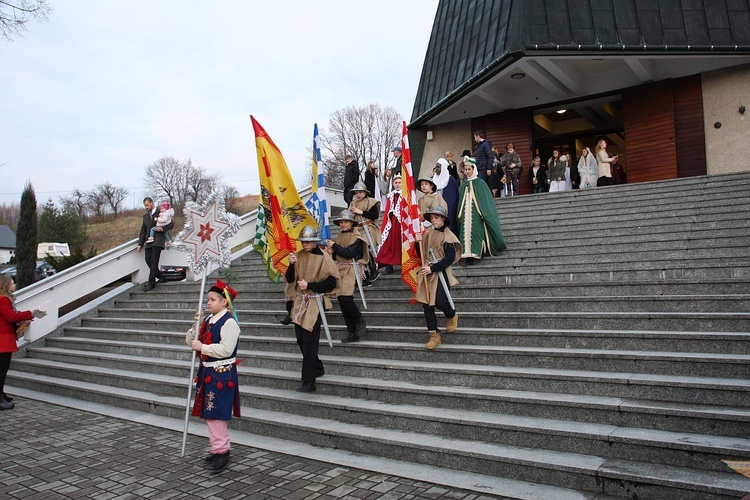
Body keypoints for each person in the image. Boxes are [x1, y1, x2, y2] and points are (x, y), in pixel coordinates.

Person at [186, 279, 240, 473]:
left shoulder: (229, 322)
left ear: (224, 302)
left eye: (212, 299)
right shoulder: (208, 320)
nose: (208, 303)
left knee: (216, 413)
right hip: (207, 371)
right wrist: (196, 325)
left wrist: (204, 347)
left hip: (221, 373)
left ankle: (222, 451)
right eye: (207, 299)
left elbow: (226, 349)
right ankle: (218, 449)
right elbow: (191, 341)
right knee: (209, 413)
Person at [286, 226, 339, 393]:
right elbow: (289, 278)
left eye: (308, 241)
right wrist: (291, 265)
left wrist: (310, 285)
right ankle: (317, 366)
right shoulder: (299, 256)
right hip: (301, 301)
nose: (305, 244)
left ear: (314, 241)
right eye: (303, 241)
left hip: (315, 302)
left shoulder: (323, 257)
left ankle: (309, 382)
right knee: (301, 339)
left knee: (309, 340)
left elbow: (332, 283)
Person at [415, 206, 461, 350]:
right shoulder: (428, 234)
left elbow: (449, 258)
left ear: (443, 219)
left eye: (436, 217)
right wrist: (418, 243)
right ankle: (434, 335)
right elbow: (420, 253)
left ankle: (451, 314)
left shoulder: (448, 236)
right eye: (432, 218)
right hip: (427, 272)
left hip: (440, 272)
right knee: (427, 305)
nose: (433, 220)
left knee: (441, 301)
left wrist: (433, 268)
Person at [0, 275, 46, 411]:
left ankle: (2, 394)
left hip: (4, 337)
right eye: (12, 283)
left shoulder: (6, 299)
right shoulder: (3, 299)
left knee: (3, 368)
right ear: (6, 285)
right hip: (3, 339)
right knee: (2, 369)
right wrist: (30, 312)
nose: (14, 285)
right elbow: (11, 317)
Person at [325, 210, 368, 343]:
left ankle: (359, 320)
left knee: (346, 298)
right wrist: (330, 251)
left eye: (346, 222)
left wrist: (335, 246)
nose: (343, 224)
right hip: (339, 269)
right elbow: (336, 254)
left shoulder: (357, 237)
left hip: (351, 268)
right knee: (341, 300)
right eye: (341, 222)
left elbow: (349, 253)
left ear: (351, 222)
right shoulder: (338, 237)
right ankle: (351, 330)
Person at [457, 157, 506, 264]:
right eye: (466, 169)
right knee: (465, 232)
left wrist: (483, 212)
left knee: (476, 233)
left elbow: (486, 201)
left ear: (473, 169)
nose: (467, 171)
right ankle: (466, 255)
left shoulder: (480, 183)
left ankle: (475, 253)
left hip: (477, 213)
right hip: (466, 213)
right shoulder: (464, 184)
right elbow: (461, 200)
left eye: (469, 169)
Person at [137, 197, 174, 292]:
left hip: (158, 240)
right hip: (148, 241)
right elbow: (143, 231)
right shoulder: (145, 216)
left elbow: (171, 224)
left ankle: (151, 283)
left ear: (152, 203)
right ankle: (161, 277)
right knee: (148, 260)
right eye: (145, 205)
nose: (146, 207)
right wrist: (140, 244)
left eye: (147, 205)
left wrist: (162, 229)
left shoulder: (161, 212)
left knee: (154, 262)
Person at [349, 182, 381, 286]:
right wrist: (351, 214)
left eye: (360, 192)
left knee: (364, 246)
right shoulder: (353, 203)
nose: (358, 194)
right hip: (357, 228)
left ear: (365, 192)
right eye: (356, 193)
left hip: (368, 227)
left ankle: (373, 268)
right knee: (358, 250)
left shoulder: (371, 202)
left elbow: (375, 215)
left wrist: (361, 212)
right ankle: (365, 273)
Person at [376, 174, 407, 275]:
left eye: (399, 183)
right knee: (389, 243)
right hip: (391, 222)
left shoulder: (407, 195)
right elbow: (387, 211)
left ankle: (405, 265)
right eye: (396, 183)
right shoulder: (391, 195)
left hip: (402, 223)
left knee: (402, 242)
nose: (398, 185)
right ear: (393, 184)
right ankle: (389, 266)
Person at [432, 158, 460, 235]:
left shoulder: (450, 180)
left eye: (438, 167)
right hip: (435, 212)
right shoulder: (434, 180)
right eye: (436, 167)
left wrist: (445, 213)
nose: (436, 169)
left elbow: (452, 201)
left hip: (447, 212)